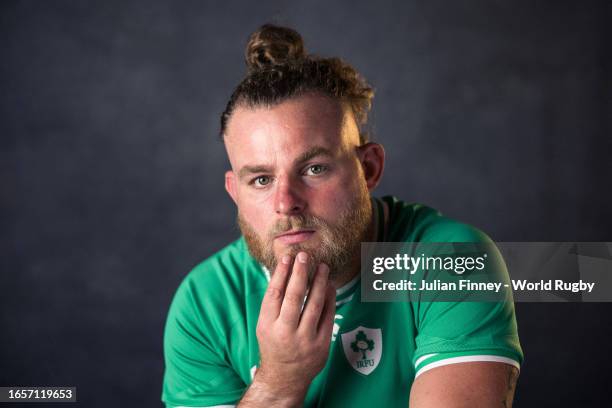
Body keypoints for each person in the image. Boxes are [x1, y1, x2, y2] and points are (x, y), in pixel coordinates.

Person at [162, 24, 523, 408]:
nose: (286, 202)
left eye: (314, 169)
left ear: (368, 169)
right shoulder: (206, 302)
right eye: (262, 179)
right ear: (235, 192)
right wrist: (280, 381)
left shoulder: (453, 260)